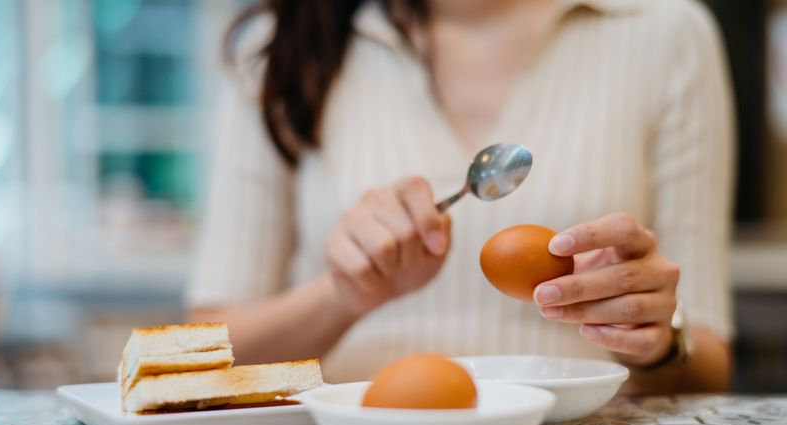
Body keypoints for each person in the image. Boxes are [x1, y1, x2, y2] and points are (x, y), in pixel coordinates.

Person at [187, 0, 734, 394]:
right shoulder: (282, 46)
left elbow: (711, 366)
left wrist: (653, 335)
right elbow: (210, 358)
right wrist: (342, 295)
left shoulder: (665, 34)